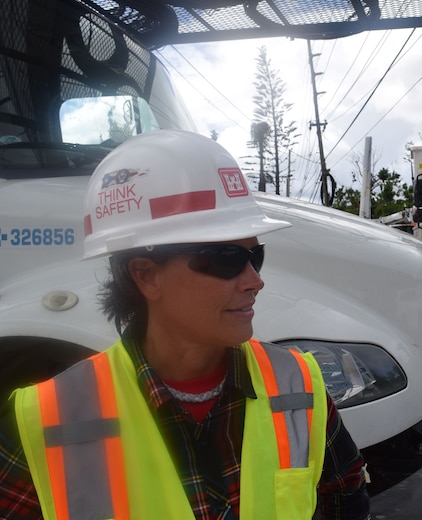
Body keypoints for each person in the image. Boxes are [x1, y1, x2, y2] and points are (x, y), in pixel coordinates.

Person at [0, 130, 371, 519]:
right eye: (225, 258)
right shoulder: (46, 422)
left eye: (254, 256)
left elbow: (345, 504)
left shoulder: (301, 390)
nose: (254, 280)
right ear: (146, 275)